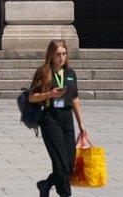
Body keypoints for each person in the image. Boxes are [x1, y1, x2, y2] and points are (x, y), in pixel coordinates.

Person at [27, 40, 87, 197]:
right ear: (51, 55)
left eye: (64, 54)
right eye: (58, 54)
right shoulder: (43, 72)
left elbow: (74, 98)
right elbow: (32, 97)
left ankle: (46, 184)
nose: (62, 57)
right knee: (59, 160)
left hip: (67, 118)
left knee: (69, 163)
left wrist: (81, 123)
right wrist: (50, 94)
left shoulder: (70, 73)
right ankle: (65, 194)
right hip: (50, 118)